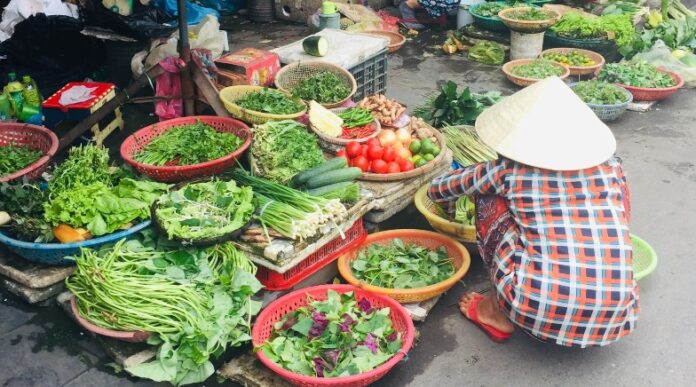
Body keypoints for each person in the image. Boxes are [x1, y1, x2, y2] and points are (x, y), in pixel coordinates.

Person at [428, 77, 639, 348]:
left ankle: (493, 313)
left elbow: (440, 188)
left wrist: (450, 206)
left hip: (535, 306)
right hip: (617, 314)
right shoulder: (612, 169)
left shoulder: (509, 172)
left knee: (488, 199)